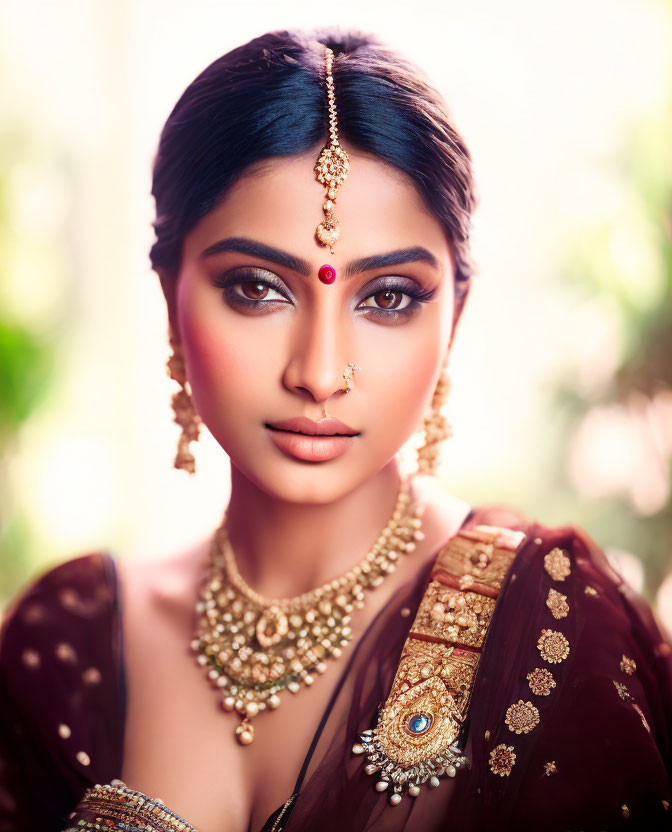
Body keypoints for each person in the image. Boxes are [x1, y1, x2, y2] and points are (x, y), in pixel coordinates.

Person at [0, 28, 670, 832]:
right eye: (255, 288)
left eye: (387, 296)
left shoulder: (553, 625)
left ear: (455, 315)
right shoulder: (69, 640)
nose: (319, 373)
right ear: (169, 291)